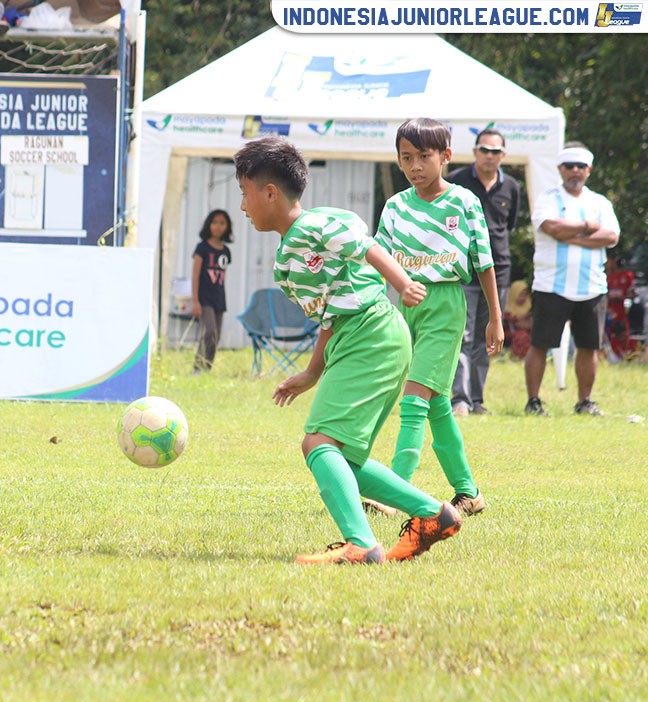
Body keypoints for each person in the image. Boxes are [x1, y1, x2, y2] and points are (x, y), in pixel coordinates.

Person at [234, 136, 462, 565]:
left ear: (269, 192)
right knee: (344, 458)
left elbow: (366, 246)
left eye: (245, 194)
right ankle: (435, 514)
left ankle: (360, 543)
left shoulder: (319, 223)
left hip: (371, 333)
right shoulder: (287, 259)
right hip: (359, 338)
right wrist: (312, 373)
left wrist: (401, 283)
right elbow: (329, 317)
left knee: (317, 442)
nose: (243, 207)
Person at [374, 118, 502, 517]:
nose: (415, 166)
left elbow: (483, 260)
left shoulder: (463, 202)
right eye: (406, 157)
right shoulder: (395, 207)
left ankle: (394, 491)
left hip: (446, 307)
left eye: (424, 156)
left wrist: (494, 316)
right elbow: (377, 259)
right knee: (438, 405)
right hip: (405, 308)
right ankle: (468, 491)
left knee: (413, 400)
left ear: (445, 157)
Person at [524, 143, 620, 416]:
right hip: (551, 285)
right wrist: (589, 227)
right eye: (569, 166)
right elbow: (552, 228)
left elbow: (611, 237)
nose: (574, 171)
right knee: (541, 344)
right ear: (560, 169)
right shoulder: (548, 199)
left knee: (589, 346)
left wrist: (570, 235)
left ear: (589, 170)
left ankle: (584, 401)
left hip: (591, 286)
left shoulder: (600, 202)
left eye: (580, 166)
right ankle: (533, 401)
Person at [447, 129, 520, 416]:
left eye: (495, 151)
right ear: (475, 152)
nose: (489, 156)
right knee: (462, 336)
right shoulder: (456, 182)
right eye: (484, 150)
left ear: (503, 155)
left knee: (487, 338)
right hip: (464, 271)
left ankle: (477, 400)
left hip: (498, 271)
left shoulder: (512, 186)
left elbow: (509, 225)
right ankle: (460, 399)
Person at [191, 209, 232, 374]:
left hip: (219, 299)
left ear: (227, 226)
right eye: (214, 222)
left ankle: (207, 368)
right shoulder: (202, 248)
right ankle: (197, 367)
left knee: (216, 336)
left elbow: (223, 277)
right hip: (204, 299)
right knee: (209, 331)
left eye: (222, 223)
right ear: (209, 225)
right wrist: (195, 301)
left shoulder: (225, 252)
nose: (218, 226)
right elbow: (195, 276)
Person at [604, 253, 636, 360]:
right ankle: (609, 357)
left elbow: (632, 293)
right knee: (607, 336)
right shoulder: (604, 277)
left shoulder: (626, 276)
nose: (607, 264)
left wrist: (622, 297)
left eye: (609, 261)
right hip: (608, 313)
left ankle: (629, 356)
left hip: (621, 312)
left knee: (624, 335)